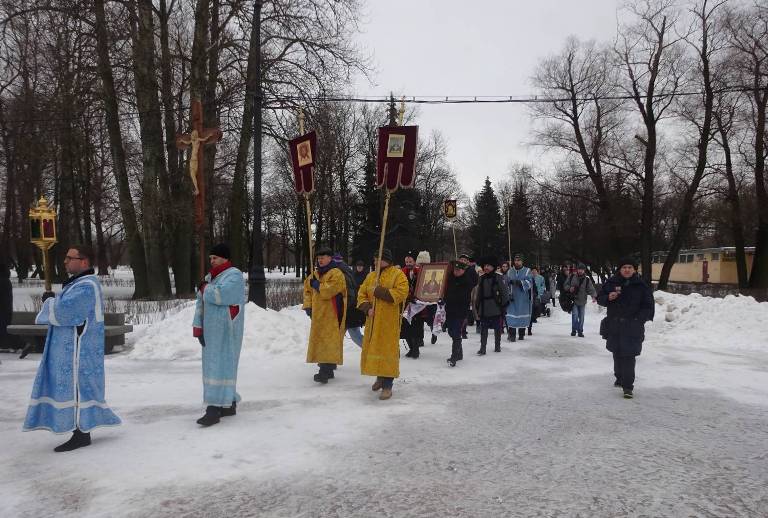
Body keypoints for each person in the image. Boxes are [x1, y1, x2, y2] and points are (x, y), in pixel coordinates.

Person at [23, 245, 121, 452]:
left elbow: (68, 312)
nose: (65, 261)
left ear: (84, 261)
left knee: (79, 388)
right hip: (73, 349)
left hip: (79, 351)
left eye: (70, 258)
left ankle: (81, 433)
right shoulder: (78, 284)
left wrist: (50, 302)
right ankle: (77, 429)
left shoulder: (87, 286)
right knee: (74, 388)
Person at [192, 243, 246, 426]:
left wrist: (205, 288)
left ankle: (213, 409)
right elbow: (201, 303)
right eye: (210, 258)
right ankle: (228, 403)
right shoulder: (210, 277)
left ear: (225, 258)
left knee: (221, 365)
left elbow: (222, 296)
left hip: (227, 330)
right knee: (213, 366)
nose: (212, 261)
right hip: (210, 330)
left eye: (215, 258)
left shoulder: (235, 275)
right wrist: (198, 326)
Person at [597, 257, 654, 399]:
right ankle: (619, 376)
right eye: (624, 267)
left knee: (629, 355)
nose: (627, 270)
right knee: (616, 353)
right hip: (614, 325)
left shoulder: (641, 285)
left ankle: (628, 386)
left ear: (634, 270)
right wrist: (608, 297)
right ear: (620, 269)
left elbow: (648, 306)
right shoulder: (612, 283)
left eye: (630, 267)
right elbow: (600, 298)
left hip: (632, 326)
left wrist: (638, 319)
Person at [357, 249, 409, 400]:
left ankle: (387, 385)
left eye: (378, 259)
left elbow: (402, 293)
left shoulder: (398, 275)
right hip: (373, 322)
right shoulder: (371, 276)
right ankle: (380, 378)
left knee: (387, 352)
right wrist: (367, 308)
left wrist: (379, 291)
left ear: (387, 260)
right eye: (374, 259)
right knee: (375, 350)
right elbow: (361, 294)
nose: (375, 262)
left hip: (388, 323)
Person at [302, 247, 347, 383]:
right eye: (318, 258)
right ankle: (327, 367)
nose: (320, 260)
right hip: (318, 314)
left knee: (329, 340)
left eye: (323, 257)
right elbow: (307, 291)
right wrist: (308, 306)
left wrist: (317, 285)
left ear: (330, 258)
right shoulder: (314, 274)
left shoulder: (337, 273)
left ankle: (325, 371)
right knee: (320, 340)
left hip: (332, 313)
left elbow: (330, 290)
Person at [474, 257, 510, 355]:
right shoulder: (481, 278)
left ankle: (497, 346)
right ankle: (482, 348)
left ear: (493, 267)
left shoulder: (498, 277)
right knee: (483, 329)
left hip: (495, 307)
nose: (486, 267)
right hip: (484, 307)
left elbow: (504, 292)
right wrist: (477, 305)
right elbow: (479, 294)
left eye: (489, 266)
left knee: (497, 328)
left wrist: (503, 306)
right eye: (485, 266)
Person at [444, 260, 474, 366]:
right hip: (450, 310)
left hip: (460, 311)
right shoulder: (450, 278)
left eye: (458, 270)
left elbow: (464, 297)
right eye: (455, 270)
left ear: (463, 270)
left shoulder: (467, 281)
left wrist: (450, 298)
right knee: (451, 332)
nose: (456, 272)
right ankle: (459, 353)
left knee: (456, 332)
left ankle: (454, 357)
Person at [401, 251, 425, 359]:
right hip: (405, 304)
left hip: (417, 305)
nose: (408, 263)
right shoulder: (402, 272)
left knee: (415, 327)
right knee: (406, 327)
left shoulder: (420, 272)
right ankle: (411, 348)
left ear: (414, 261)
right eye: (406, 261)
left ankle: (416, 349)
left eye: (410, 261)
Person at [563, 263, 597, 337]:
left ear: (584, 270)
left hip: (582, 300)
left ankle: (580, 331)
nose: (580, 271)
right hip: (573, 299)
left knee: (581, 317)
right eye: (579, 269)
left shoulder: (587, 279)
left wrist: (593, 296)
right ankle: (574, 330)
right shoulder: (572, 276)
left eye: (582, 269)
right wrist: (569, 288)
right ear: (577, 270)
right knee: (575, 315)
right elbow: (565, 285)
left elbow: (591, 289)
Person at [505, 254, 533, 342]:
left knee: (522, 317)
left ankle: (521, 334)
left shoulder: (527, 270)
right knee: (511, 317)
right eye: (515, 260)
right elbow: (505, 283)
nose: (516, 262)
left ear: (522, 261)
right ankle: (512, 335)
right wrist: (508, 283)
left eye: (518, 260)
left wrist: (519, 282)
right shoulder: (510, 271)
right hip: (512, 297)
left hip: (522, 298)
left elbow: (530, 282)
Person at [458, 253, 479, 339]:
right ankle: (458, 328)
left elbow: (475, 281)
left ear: (467, 262)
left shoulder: (471, 270)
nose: (463, 261)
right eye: (461, 259)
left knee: (465, 313)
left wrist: (469, 286)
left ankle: (463, 330)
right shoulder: (456, 268)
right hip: (457, 293)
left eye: (465, 260)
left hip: (467, 293)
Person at [0, 263, 13, 350]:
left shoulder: (2, 281)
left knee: (3, 329)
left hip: (3, 310)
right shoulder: (6, 280)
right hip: (6, 309)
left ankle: (22, 344)